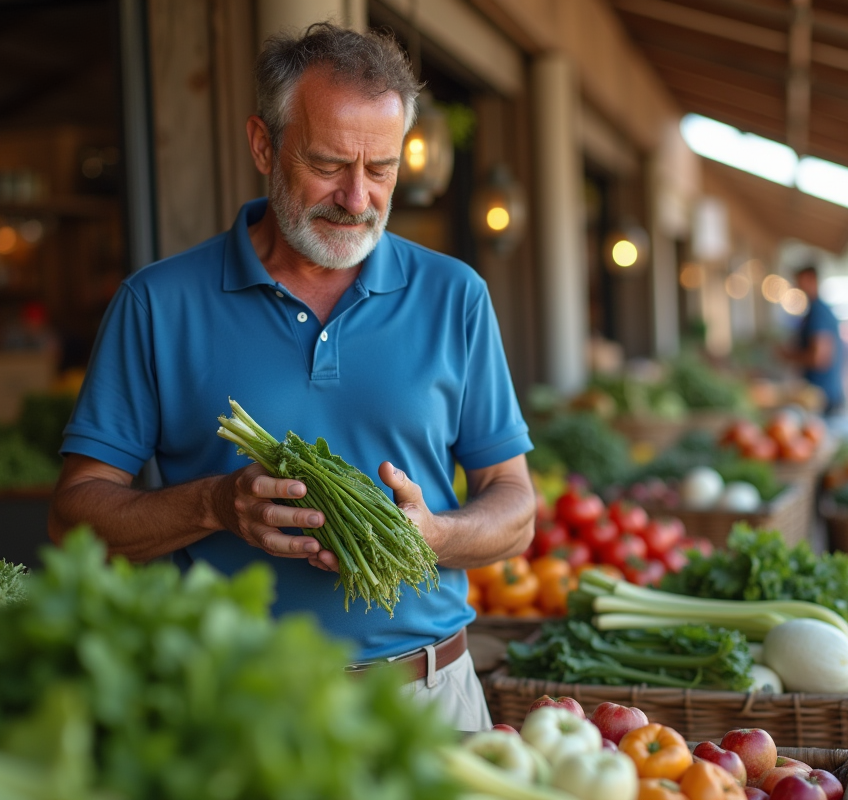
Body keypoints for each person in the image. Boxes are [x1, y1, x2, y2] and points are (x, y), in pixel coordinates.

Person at [47, 23, 535, 730]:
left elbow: (514, 506)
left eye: (382, 169)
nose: (358, 198)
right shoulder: (156, 303)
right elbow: (72, 519)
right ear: (263, 145)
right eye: (330, 163)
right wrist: (214, 505)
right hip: (232, 707)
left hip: (429, 700)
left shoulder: (454, 295)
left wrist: (433, 536)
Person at [782, 263, 844, 415]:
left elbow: (820, 358)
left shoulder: (818, 311)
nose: (796, 286)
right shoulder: (817, 309)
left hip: (821, 395)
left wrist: (788, 355)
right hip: (822, 392)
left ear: (810, 279)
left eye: (799, 281)